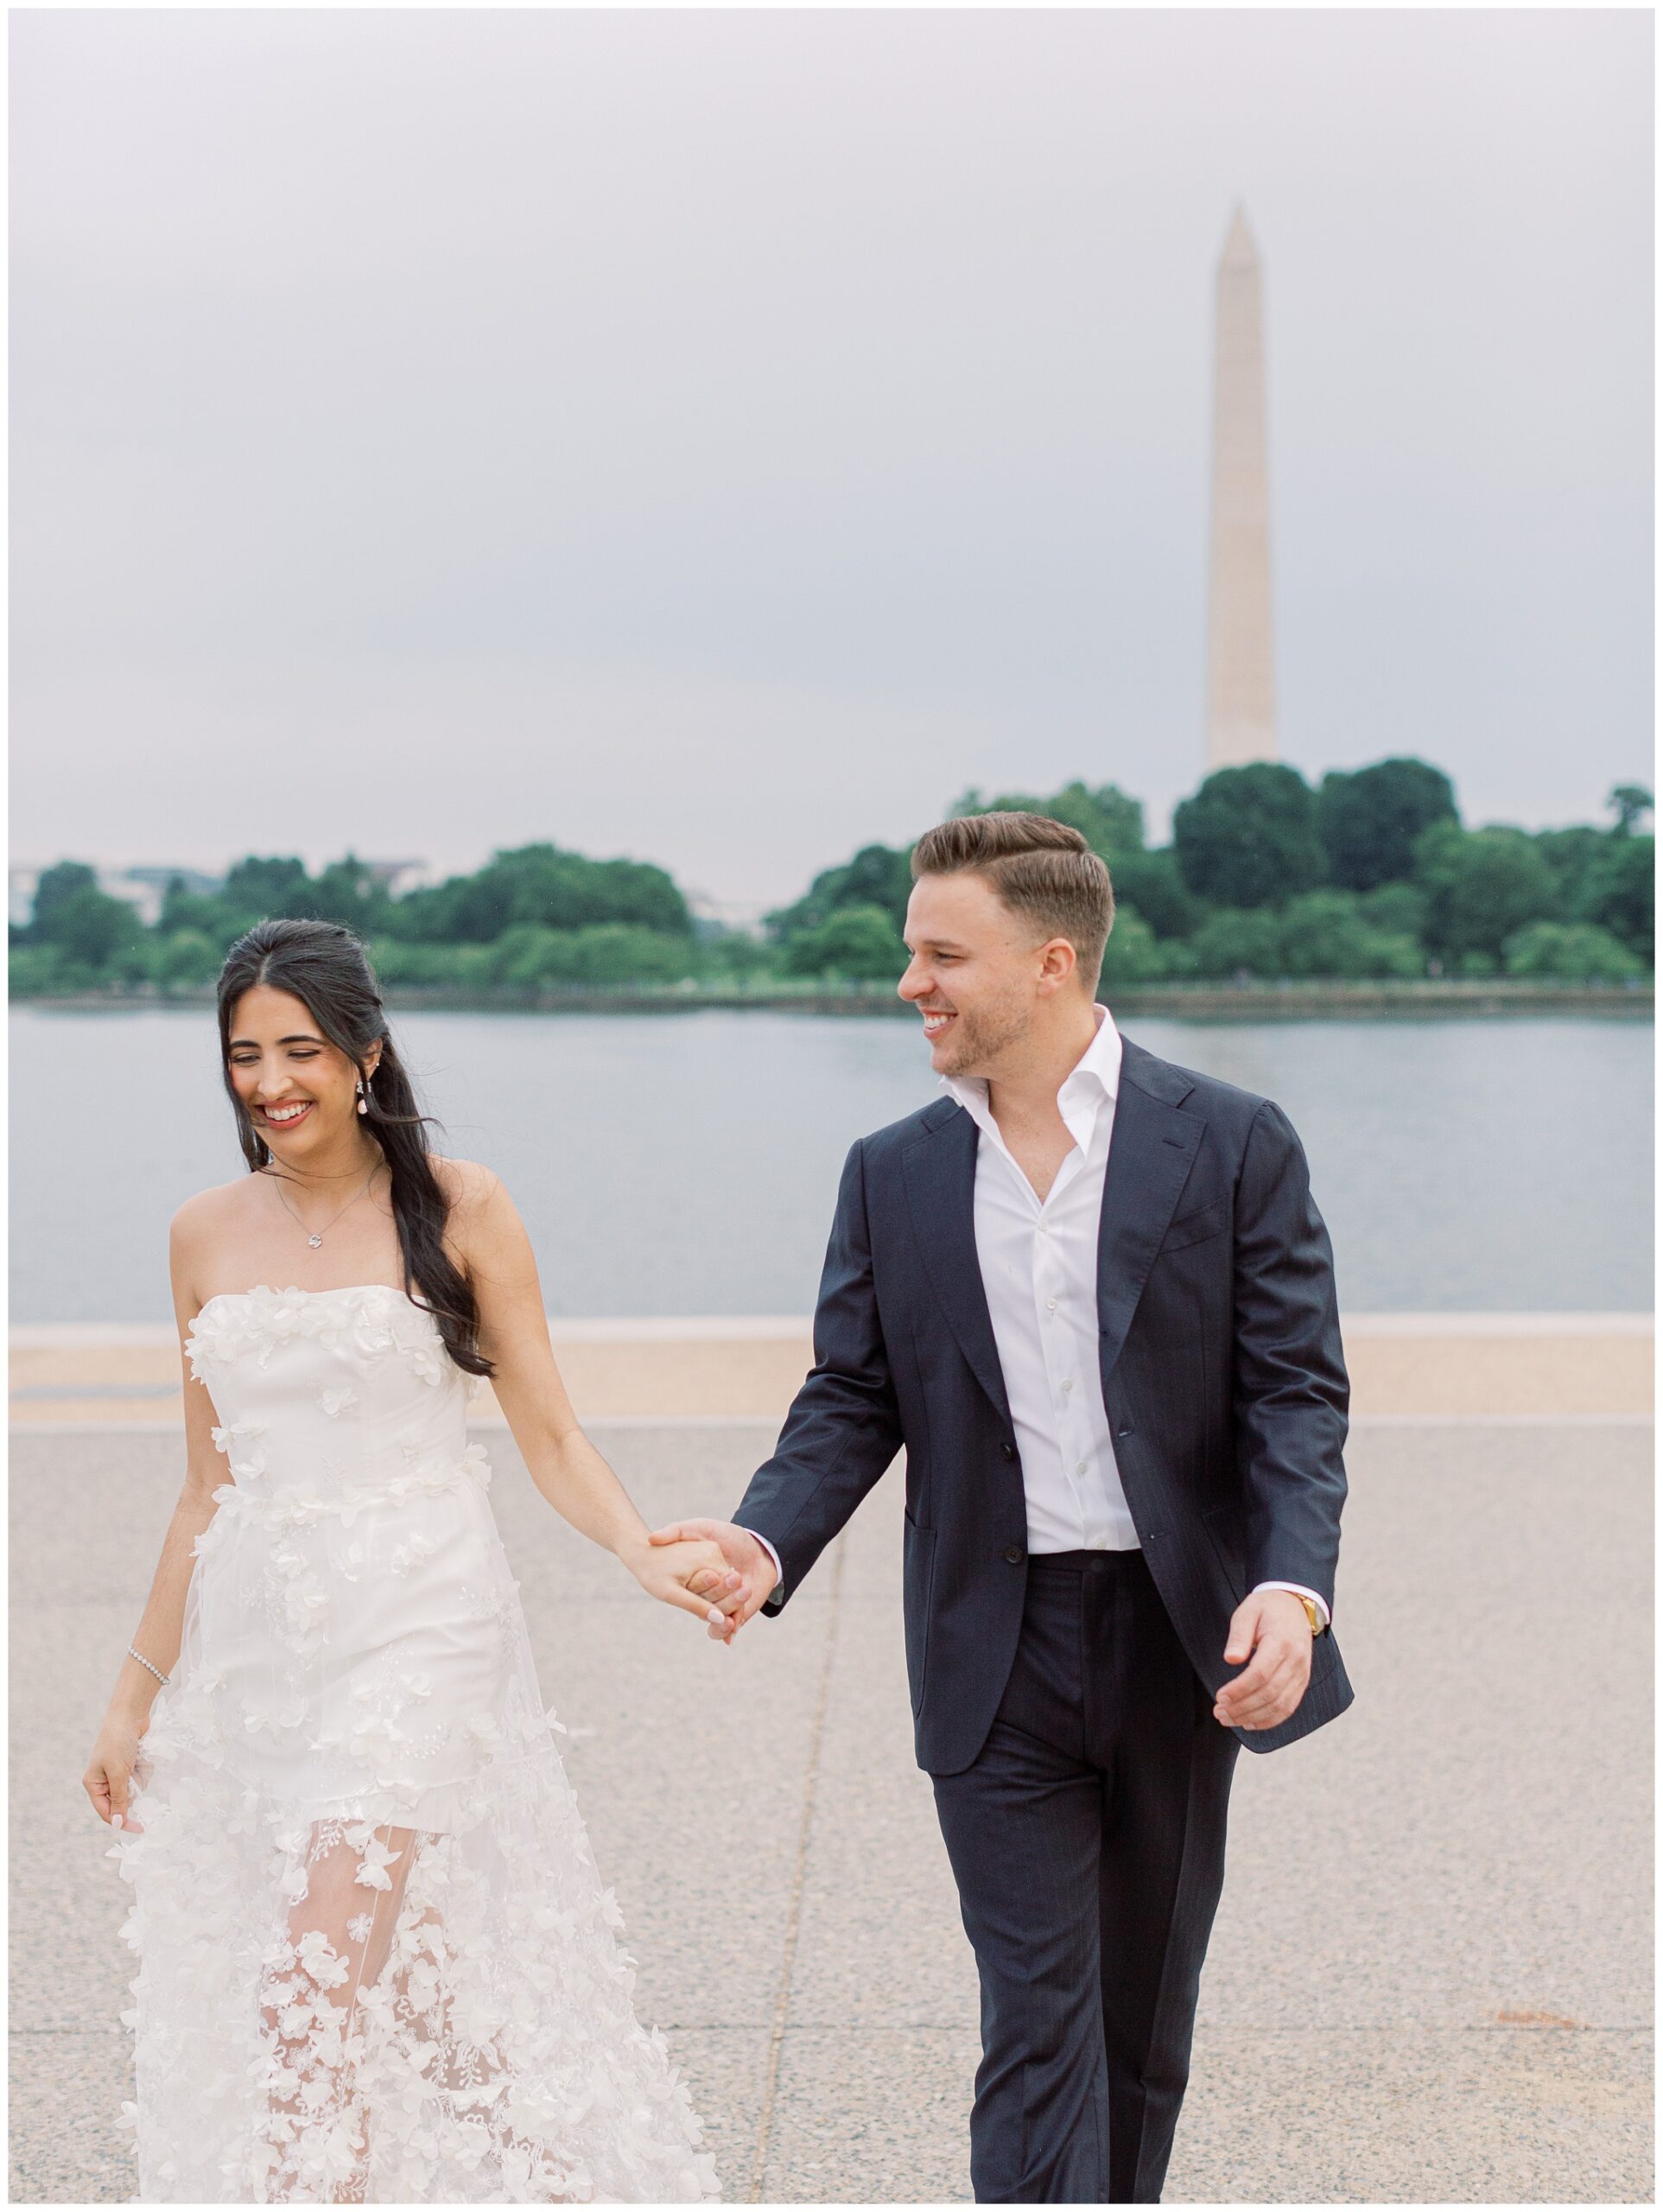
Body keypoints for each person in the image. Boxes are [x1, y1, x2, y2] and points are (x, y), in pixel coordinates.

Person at [652, 810, 1354, 2205]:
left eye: (938, 954)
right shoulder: (893, 1171)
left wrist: (1290, 1580)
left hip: (1180, 1644)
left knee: (1140, 2025)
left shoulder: (1229, 1142)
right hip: (993, 1643)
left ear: (1048, 963)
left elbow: (1293, 1395)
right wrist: (764, 1534)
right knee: (1035, 2023)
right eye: (909, 952)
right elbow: (851, 1396)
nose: (908, 982)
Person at [83, 918, 737, 2204]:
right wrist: (131, 1695)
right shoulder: (200, 1233)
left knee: (306, 1998)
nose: (272, 1083)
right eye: (244, 1056)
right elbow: (204, 1490)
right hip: (264, 1658)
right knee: (430, 2003)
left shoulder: (464, 1205)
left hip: (422, 1629)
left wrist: (634, 1549)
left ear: (367, 1055)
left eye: (302, 1052)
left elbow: (547, 1430)